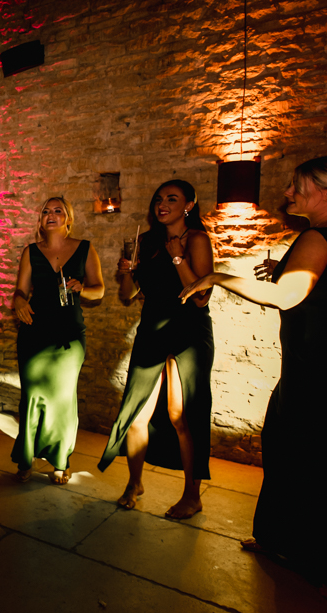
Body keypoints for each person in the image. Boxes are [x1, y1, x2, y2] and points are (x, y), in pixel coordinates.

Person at [180, 155, 327, 609]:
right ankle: (283, 540)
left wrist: (217, 275)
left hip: (317, 368)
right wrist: (282, 273)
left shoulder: (319, 235)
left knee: (320, 464)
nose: (287, 192)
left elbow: (286, 298)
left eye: (297, 185)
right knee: (292, 446)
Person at [99, 179, 214, 519]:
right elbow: (127, 295)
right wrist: (126, 274)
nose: (162, 204)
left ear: (189, 205)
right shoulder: (146, 242)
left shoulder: (197, 239)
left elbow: (202, 297)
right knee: (137, 411)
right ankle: (135, 483)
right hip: (152, 329)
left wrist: (178, 257)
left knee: (182, 416)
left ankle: (192, 495)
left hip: (188, 331)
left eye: (172, 199)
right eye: (159, 199)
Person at [12, 196, 104, 484]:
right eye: (45, 211)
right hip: (34, 332)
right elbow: (20, 291)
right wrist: (18, 303)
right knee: (32, 396)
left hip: (69, 336)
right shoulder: (31, 252)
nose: (51, 215)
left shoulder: (85, 249)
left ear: (68, 218)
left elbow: (99, 290)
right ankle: (26, 459)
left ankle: (60, 462)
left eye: (58, 211)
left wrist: (82, 288)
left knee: (62, 399)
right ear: (40, 220)